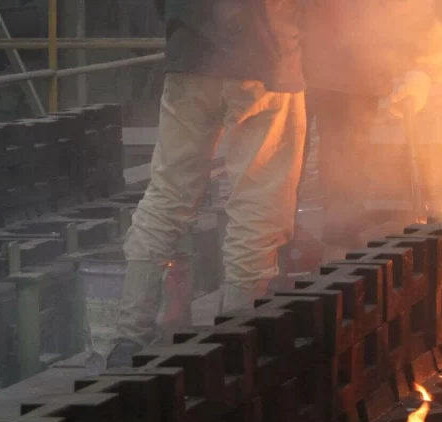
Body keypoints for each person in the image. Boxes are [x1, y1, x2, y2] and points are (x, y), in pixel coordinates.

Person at [107, 0, 307, 368]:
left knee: (168, 194)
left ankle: (128, 338)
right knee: (258, 204)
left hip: (190, 57)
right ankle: (236, 337)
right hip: (265, 60)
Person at [300, 0, 442, 256]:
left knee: (325, 165)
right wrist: (420, 60)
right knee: (335, 162)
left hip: (302, 57)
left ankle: (326, 250)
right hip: (343, 65)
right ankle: (330, 250)